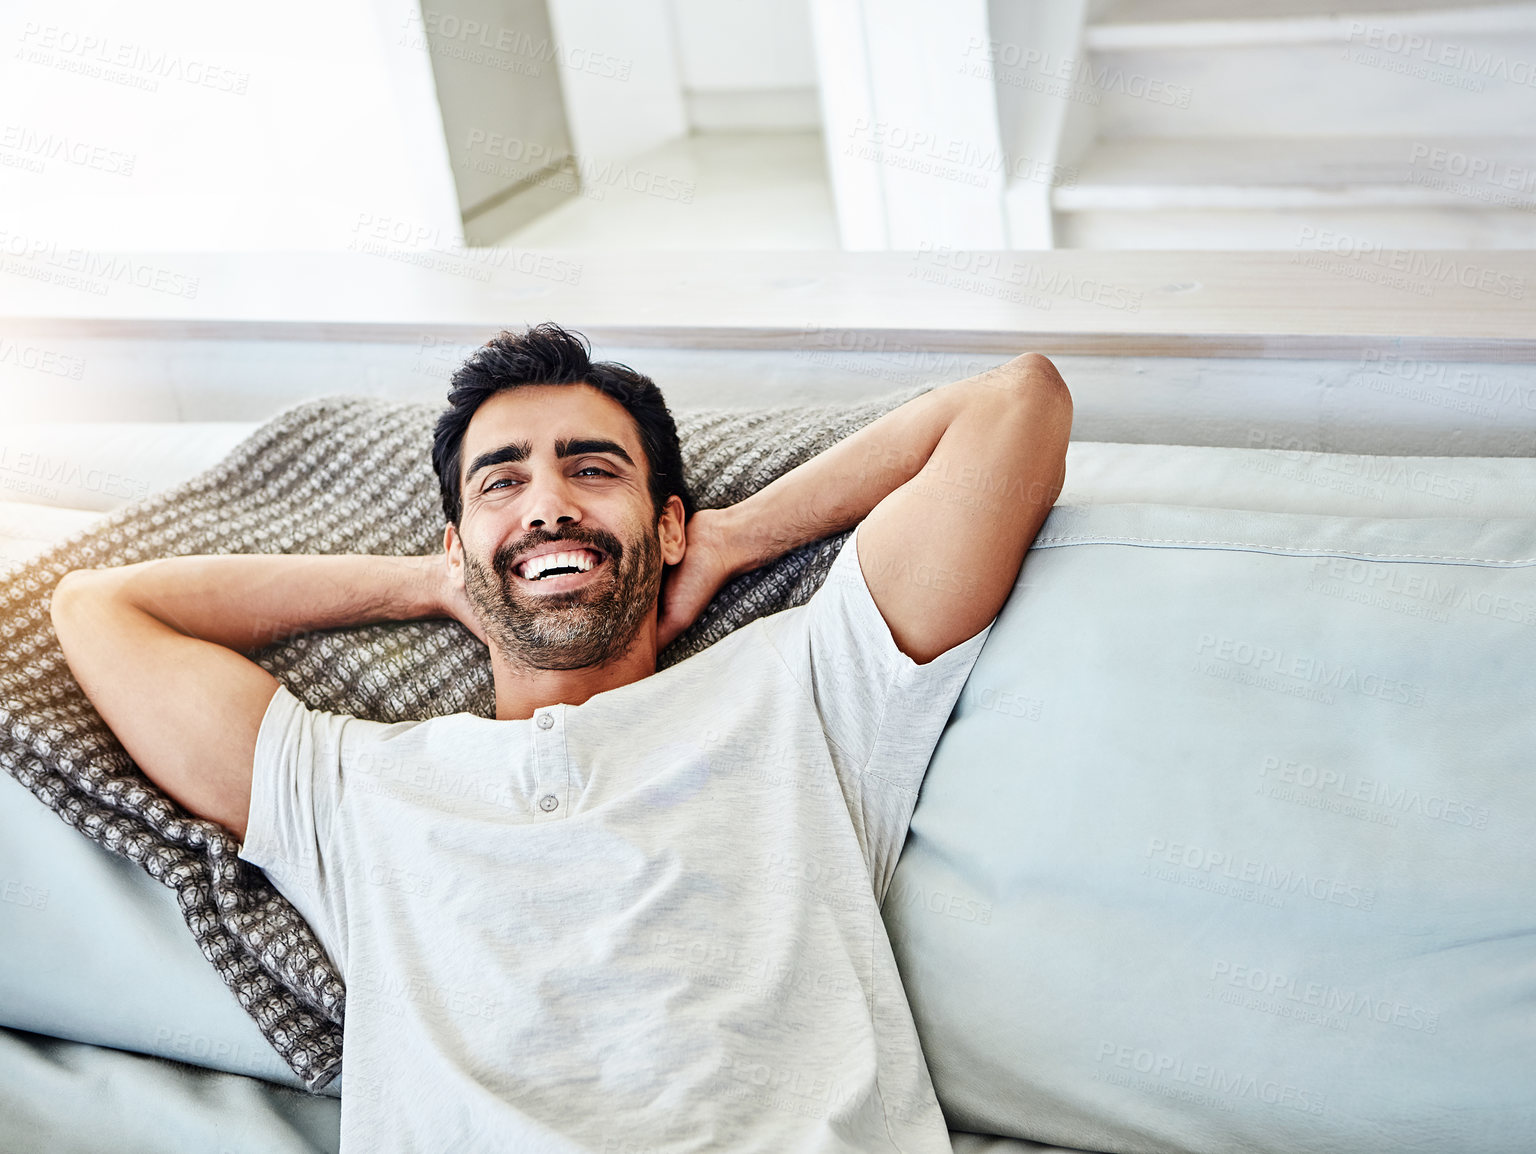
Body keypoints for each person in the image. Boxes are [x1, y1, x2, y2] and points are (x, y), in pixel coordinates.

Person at [49, 322, 1073, 1152]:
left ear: (667, 524)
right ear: (456, 544)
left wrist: (738, 532)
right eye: (501, 482)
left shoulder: (799, 682)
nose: (547, 504)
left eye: (592, 470)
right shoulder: (356, 785)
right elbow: (100, 608)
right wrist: (431, 582)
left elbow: (1015, 402)